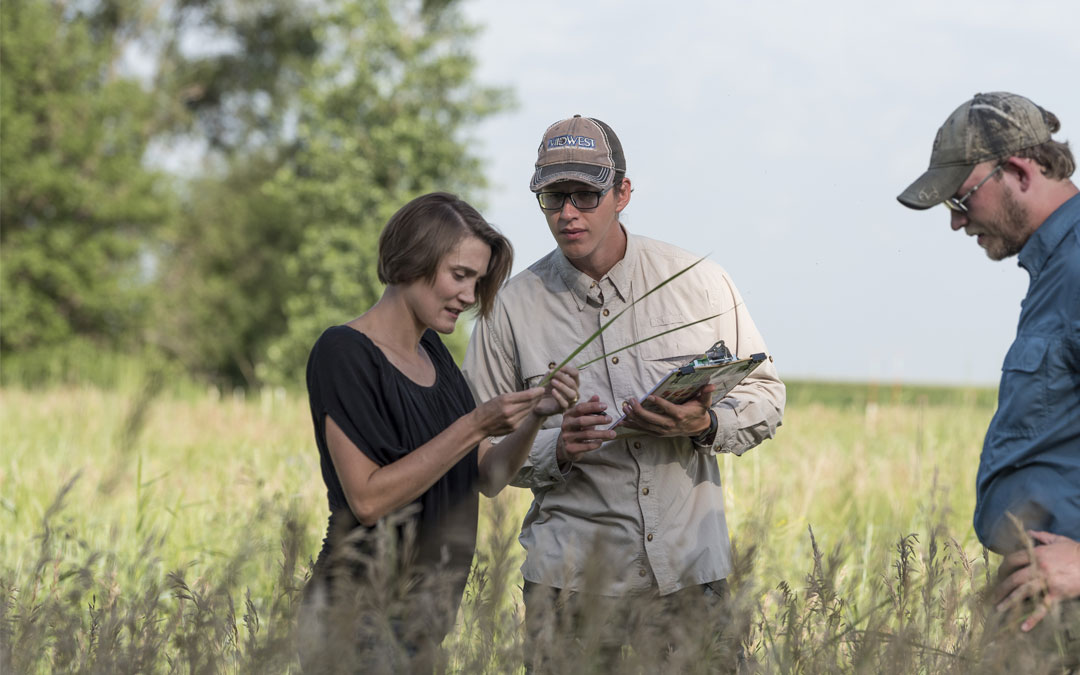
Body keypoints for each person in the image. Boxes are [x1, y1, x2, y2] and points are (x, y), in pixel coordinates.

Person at [462, 116, 786, 672]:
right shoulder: (509, 310)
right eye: (553, 196)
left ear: (623, 192)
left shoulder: (698, 282)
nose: (568, 212)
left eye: (586, 194)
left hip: (691, 580)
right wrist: (555, 450)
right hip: (570, 591)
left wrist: (702, 425)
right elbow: (479, 458)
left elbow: (767, 395)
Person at [898, 92, 1080, 674]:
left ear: (1017, 171)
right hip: (1065, 603)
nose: (958, 221)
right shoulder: (1064, 269)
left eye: (961, 198)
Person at [298, 192, 580, 673]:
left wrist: (536, 416)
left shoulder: (436, 355)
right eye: (460, 276)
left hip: (424, 623)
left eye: (478, 281)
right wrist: (474, 425)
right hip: (354, 620)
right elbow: (366, 500)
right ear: (412, 260)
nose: (470, 297)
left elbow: (489, 477)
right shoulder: (343, 352)